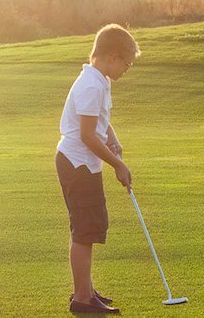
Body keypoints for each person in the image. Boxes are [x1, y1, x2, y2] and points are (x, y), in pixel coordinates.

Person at [56, 24, 139, 314]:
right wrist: (117, 164)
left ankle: (86, 290)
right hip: (77, 163)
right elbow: (87, 135)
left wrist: (113, 140)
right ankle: (82, 299)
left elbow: (100, 121)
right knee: (85, 230)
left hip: (81, 163)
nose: (126, 70)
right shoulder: (91, 84)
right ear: (112, 57)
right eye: (126, 64)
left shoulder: (99, 80)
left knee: (86, 227)